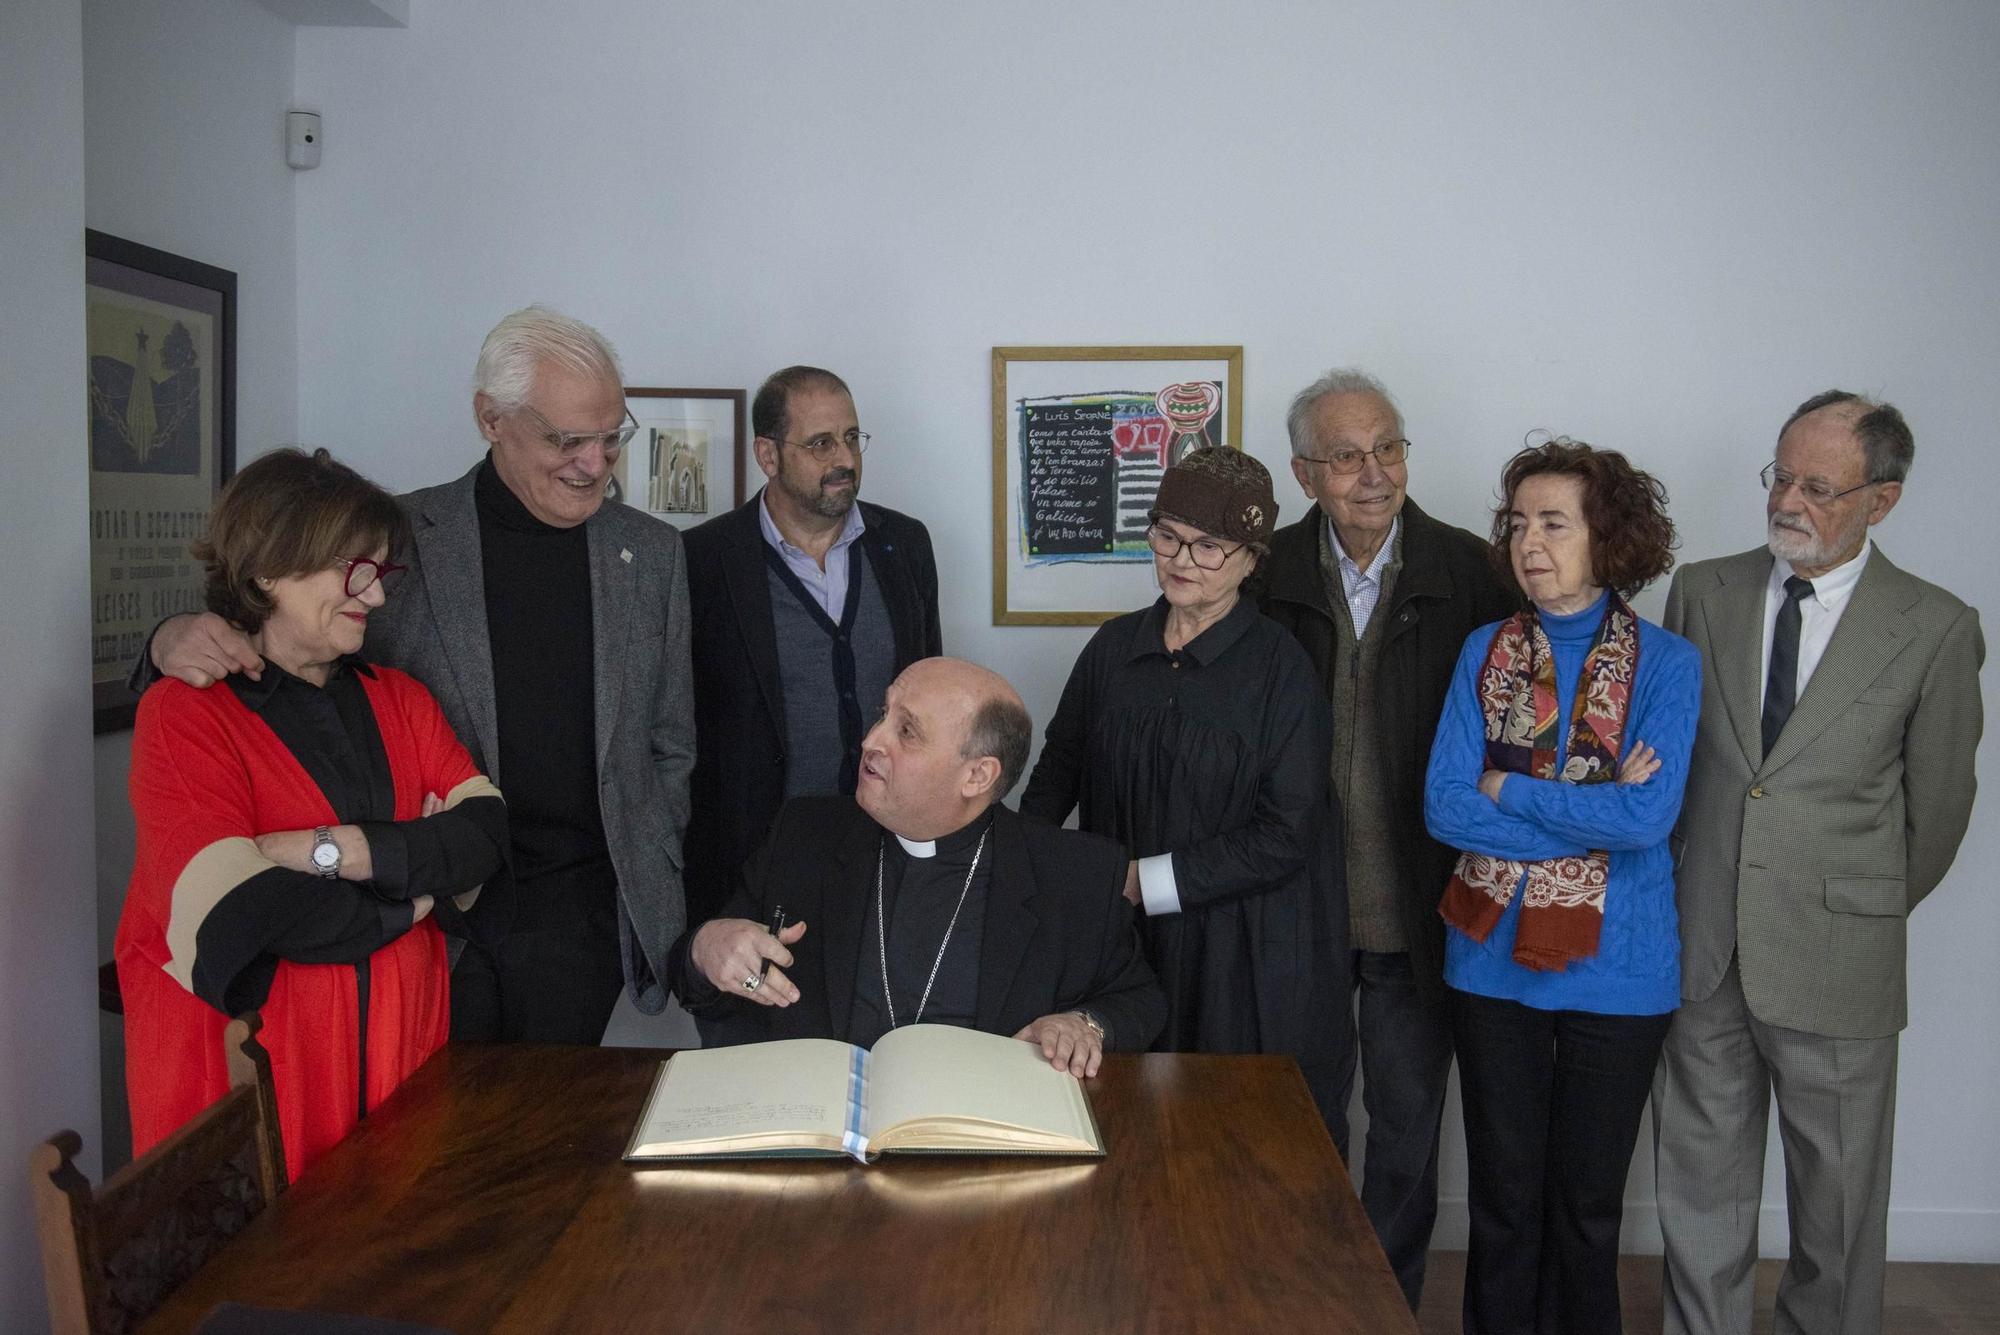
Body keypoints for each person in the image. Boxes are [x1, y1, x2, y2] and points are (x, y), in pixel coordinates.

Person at [140, 307, 694, 1044]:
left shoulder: (651, 554)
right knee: (425, 1140)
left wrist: (652, 854)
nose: (594, 463)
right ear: (490, 418)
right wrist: (163, 639)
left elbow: (671, 742)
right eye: (566, 439)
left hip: (580, 911)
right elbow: (266, 634)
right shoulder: (393, 536)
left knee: (553, 1138)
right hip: (428, 915)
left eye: (609, 437)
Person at [1652, 392, 1984, 1335]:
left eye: (1819, 486)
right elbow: (1683, 768)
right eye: (1781, 475)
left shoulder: (1936, 627)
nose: (1789, 500)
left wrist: (1857, 904)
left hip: (1839, 955)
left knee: (1837, 1210)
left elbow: (1938, 815)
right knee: (1699, 1186)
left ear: (1883, 500)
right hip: (1705, 942)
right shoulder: (1701, 590)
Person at [115, 448, 508, 1180]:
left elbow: (483, 834)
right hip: (254, 1089)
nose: (378, 597)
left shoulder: (400, 697)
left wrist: (332, 850)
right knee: (257, 1284)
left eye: (380, 571)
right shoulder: (186, 713)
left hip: (399, 1076)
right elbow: (240, 908)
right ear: (267, 568)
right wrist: (408, 897)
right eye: (353, 570)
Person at [1252, 368, 1518, 1307]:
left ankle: (1381, 1309)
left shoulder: (1475, 574)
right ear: (1304, 472)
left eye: (1389, 448)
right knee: (1300, 1130)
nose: (1374, 473)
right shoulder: (1264, 572)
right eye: (1347, 456)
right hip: (1298, 911)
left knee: (1407, 1137)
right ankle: (1303, 1304)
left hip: (1421, 906)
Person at [1424, 438, 1699, 1335]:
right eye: (1516, 523)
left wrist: (1514, 787)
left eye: (1553, 522)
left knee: (1587, 1213)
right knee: (1503, 1206)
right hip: (1489, 964)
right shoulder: (1484, 650)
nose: (1527, 542)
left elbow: (1646, 821)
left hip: (1621, 976)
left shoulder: (1667, 664)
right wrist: (1593, 799)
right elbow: (1445, 807)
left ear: (1607, 537)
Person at [1020, 446, 1351, 1133]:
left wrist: (1145, 880)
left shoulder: (1281, 672)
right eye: (1167, 535)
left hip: (1242, 950)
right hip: (1122, 942)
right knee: (1122, 1126)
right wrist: (1036, 879)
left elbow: (1289, 831)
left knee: (1229, 1134)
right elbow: (1055, 775)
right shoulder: (1113, 649)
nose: (1181, 559)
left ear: (1253, 558)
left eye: (1209, 547)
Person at [671, 657, 1164, 1073]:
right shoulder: (803, 836)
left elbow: (1139, 999)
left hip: (983, 1141)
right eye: (882, 713)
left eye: (905, 731)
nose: (871, 740)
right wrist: (703, 948)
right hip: (819, 1132)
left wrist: (1085, 1024)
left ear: (976, 775)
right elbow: (708, 981)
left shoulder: (1075, 872)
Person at [680, 366, 941, 928]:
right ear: (767, 455)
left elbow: (932, 698)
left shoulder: (905, 545)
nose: (843, 459)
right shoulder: (700, 561)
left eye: (851, 438)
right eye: (820, 443)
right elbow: (673, 727)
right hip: (752, 867)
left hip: (889, 860)